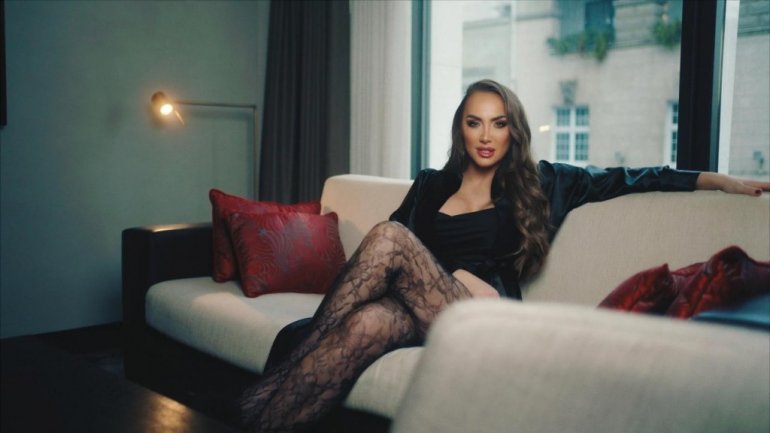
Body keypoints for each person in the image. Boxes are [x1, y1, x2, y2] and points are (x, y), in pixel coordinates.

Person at [239, 79, 769, 432]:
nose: (486, 136)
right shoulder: (430, 185)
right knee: (365, 325)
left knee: (389, 237)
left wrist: (716, 180)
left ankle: (297, 352)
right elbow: (385, 272)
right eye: (475, 122)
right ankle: (252, 419)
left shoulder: (542, 183)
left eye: (498, 122)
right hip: (411, 313)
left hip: (477, 316)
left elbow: (632, 177)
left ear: (513, 128)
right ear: (461, 128)